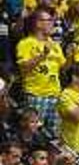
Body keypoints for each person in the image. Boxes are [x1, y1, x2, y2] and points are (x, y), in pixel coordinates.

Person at [16, 9, 66, 137]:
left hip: (55, 95)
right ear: (38, 23)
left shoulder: (54, 44)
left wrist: (71, 56)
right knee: (32, 134)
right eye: (49, 20)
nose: (52, 23)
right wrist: (43, 55)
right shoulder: (25, 43)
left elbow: (63, 68)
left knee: (54, 137)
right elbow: (23, 68)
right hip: (35, 95)